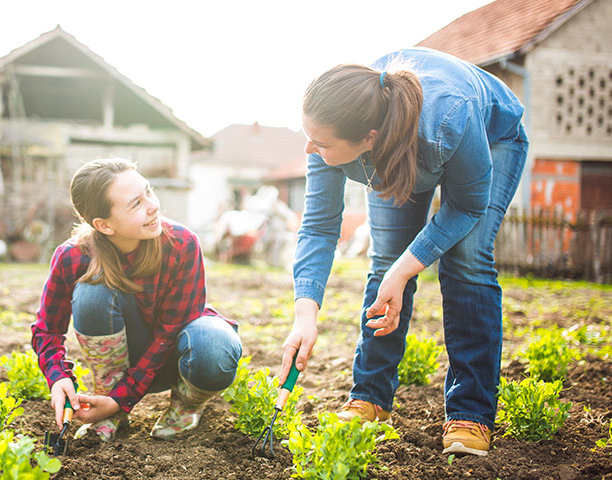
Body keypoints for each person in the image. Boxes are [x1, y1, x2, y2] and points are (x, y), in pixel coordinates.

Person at [279, 47, 528, 457]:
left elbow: (466, 207)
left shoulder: (449, 117)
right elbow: (319, 226)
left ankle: (471, 412)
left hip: (492, 136)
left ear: (368, 139)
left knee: (466, 260)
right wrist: (305, 317)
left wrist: (404, 272)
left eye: (319, 142)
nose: (309, 149)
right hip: (397, 142)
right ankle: (371, 398)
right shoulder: (332, 133)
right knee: (386, 257)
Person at [31, 157, 242, 442]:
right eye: (136, 204)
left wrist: (122, 398)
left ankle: (185, 406)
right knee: (92, 292)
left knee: (214, 346)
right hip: (121, 364)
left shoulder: (181, 244)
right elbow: (47, 330)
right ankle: (108, 408)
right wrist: (58, 378)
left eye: (148, 191)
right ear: (104, 225)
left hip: (176, 359)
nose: (153, 205)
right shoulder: (73, 257)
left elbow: (169, 334)